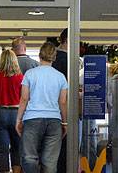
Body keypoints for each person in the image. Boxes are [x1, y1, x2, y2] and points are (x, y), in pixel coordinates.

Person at [16, 42, 68, 173]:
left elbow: (24, 98)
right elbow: (62, 102)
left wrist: (18, 120)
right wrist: (65, 122)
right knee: (50, 161)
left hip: (32, 119)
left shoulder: (30, 74)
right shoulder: (60, 77)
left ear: (40, 56)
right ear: (54, 57)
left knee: (29, 157)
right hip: (54, 121)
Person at [0, 49, 23, 173]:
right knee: (17, 147)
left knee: (2, 149)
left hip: (0, 112)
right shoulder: (20, 77)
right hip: (16, 113)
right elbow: (25, 97)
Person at [51, 28, 68, 172]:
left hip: (49, 111)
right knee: (65, 145)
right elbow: (63, 99)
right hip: (63, 109)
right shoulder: (68, 61)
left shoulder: (53, 60)